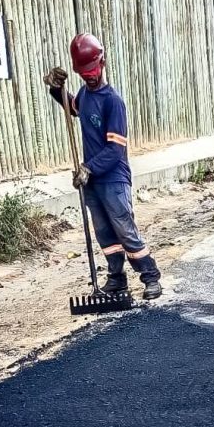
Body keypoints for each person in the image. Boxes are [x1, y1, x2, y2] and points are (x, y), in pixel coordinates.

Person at [44, 33, 162, 300]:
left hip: (113, 178)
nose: (89, 76)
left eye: (93, 69)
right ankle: (117, 279)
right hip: (93, 181)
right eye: (84, 72)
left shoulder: (113, 101)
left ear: (103, 62)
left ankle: (150, 276)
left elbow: (115, 150)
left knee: (124, 229)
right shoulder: (85, 95)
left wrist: (88, 168)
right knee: (104, 232)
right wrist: (55, 89)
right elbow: (73, 109)